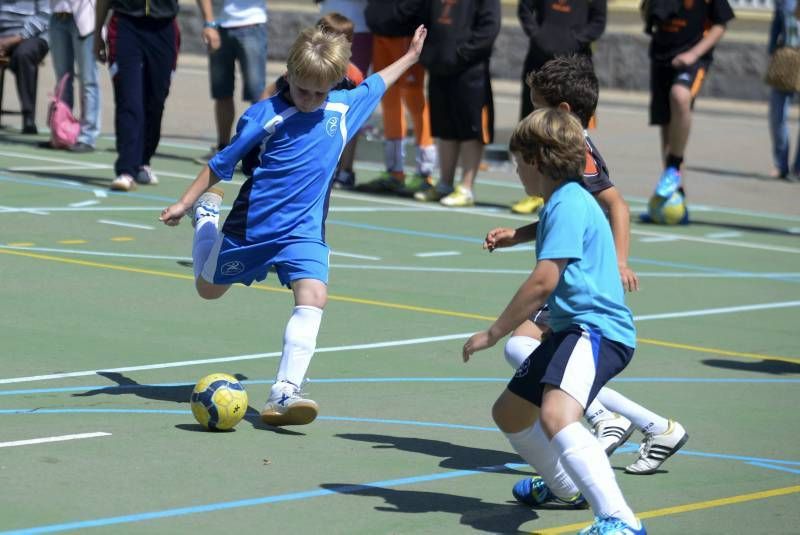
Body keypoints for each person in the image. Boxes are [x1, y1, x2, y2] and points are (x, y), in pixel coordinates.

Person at [159, 24, 428, 426]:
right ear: (288, 75)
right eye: (303, 90)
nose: (311, 99)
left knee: (314, 295)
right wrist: (185, 201)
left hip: (303, 233)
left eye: (321, 92)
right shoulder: (264, 116)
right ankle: (207, 220)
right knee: (207, 289)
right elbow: (221, 163)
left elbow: (376, 83)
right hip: (253, 228)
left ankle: (284, 392)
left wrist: (409, 57)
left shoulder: (341, 107)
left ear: (334, 84)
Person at [484, 56, 688, 477]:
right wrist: (519, 235)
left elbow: (615, 206)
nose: (531, 114)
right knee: (530, 352)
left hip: (581, 278)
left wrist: (618, 261)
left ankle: (612, 422)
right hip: (577, 270)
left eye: (537, 105)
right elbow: (569, 215)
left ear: (561, 112)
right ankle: (650, 427)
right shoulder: (569, 147)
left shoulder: (577, 153)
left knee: (520, 345)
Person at [463, 107, 646, 535]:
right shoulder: (564, 199)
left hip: (595, 329)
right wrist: (517, 235)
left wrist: (493, 333)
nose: (516, 170)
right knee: (509, 413)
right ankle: (565, 487)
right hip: (572, 328)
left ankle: (620, 519)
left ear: (535, 161)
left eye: (517, 161)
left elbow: (544, 281)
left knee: (557, 416)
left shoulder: (566, 203)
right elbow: (552, 223)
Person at [511, 0, 606, 215]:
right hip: (540, 62)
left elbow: (598, 22)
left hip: (574, 68)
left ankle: (580, 188)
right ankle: (536, 193)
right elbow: (524, 8)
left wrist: (574, 40)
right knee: (534, 131)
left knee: (573, 134)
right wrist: (539, 35)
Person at [642, 0, 734, 221]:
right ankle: (677, 196)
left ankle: (673, 166)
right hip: (662, 56)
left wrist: (694, 54)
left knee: (680, 96)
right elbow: (647, 13)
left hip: (693, 58)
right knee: (667, 127)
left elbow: (721, 24)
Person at [413, 0, 501, 208]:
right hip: (440, 67)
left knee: (470, 128)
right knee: (445, 128)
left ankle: (466, 187)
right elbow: (424, 18)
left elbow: (489, 28)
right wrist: (429, 54)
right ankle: (445, 183)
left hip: (470, 70)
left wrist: (462, 53)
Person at [94, 0, 180, 191]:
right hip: (126, 26)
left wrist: (209, 23)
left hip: (164, 28)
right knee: (129, 100)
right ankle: (126, 170)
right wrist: (97, 33)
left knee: (156, 101)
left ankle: (143, 161)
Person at [356, 0, 437, 195]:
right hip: (381, 31)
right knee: (388, 98)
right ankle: (395, 171)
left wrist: (398, 16)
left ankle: (425, 172)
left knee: (413, 99)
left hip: (405, 33)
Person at [193, 0, 268, 165]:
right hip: (218, 27)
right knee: (222, 92)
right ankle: (222, 147)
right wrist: (209, 23)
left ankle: (256, 152)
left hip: (252, 26)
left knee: (257, 95)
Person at [48, 0, 101, 152]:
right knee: (63, 79)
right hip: (58, 16)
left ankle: (88, 136)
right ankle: (61, 132)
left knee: (88, 80)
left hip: (84, 18)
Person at [0, 0, 50, 134]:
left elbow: (45, 16)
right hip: (3, 36)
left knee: (23, 54)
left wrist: (16, 39)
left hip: (34, 35)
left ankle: (28, 116)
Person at [768, 0, 800, 183]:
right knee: (777, 115)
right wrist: (772, 52)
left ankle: (798, 168)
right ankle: (781, 165)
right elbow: (776, 27)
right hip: (786, 57)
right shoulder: (784, 3)